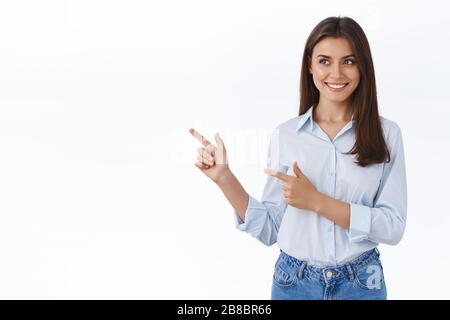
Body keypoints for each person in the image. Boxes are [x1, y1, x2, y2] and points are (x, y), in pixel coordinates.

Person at [189, 16, 407, 300]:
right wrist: (224, 178)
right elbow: (270, 230)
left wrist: (317, 201)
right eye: (325, 61)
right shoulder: (286, 135)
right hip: (295, 284)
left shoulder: (386, 134)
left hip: (362, 283)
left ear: (363, 66)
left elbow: (392, 227)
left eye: (349, 61)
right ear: (310, 66)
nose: (336, 73)